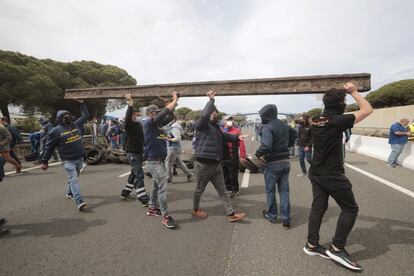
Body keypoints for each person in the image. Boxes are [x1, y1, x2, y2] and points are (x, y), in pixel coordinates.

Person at [303, 83, 373, 272]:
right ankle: (337, 248)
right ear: (341, 103)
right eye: (345, 100)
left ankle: (312, 244)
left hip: (315, 172)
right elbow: (367, 109)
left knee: (319, 207)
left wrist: (340, 95)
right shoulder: (338, 120)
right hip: (331, 174)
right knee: (350, 208)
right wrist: (354, 92)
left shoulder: (317, 119)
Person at [192, 91, 246, 222]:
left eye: (215, 113)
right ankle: (195, 209)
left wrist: (237, 137)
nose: (214, 114)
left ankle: (231, 213)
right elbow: (204, 115)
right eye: (212, 112)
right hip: (203, 164)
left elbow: (225, 136)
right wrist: (211, 100)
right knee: (199, 189)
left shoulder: (215, 128)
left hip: (216, 164)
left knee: (223, 190)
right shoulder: (202, 125)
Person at [41, 100, 89, 211]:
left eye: (68, 116)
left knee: (74, 178)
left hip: (79, 158)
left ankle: (69, 193)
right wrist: (44, 161)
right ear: (59, 119)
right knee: (74, 179)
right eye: (64, 117)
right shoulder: (55, 131)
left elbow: (86, 115)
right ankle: (79, 201)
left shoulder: (76, 124)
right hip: (68, 160)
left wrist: (82, 103)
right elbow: (49, 147)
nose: (67, 118)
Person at [255, 104, 297, 228]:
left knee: (270, 191)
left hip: (273, 162)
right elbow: (295, 134)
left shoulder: (267, 127)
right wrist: (287, 145)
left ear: (265, 115)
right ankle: (286, 218)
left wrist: (258, 154)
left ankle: (272, 215)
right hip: (285, 161)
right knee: (284, 191)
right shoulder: (284, 125)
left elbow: (266, 146)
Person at [144, 91, 179, 229]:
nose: (157, 114)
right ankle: (165, 216)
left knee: (156, 185)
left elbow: (170, 115)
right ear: (151, 114)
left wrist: (171, 102)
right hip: (153, 161)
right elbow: (165, 112)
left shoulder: (157, 125)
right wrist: (174, 100)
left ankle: (152, 208)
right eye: (155, 113)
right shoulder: (148, 123)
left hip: (160, 160)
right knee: (163, 189)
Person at [120, 94, 150, 207]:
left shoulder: (139, 125)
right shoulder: (128, 125)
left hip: (139, 153)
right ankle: (143, 198)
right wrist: (130, 104)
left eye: (137, 114)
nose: (137, 116)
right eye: (134, 114)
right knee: (139, 174)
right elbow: (127, 118)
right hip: (132, 153)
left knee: (134, 174)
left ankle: (125, 193)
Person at [221, 116, 246, 197]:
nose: (230, 121)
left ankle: (235, 189)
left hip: (233, 155)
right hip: (222, 156)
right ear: (223, 121)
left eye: (231, 120)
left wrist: (243, 155)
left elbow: (241, 144)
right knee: (225, 174)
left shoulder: (236, 130)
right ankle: (228, 189)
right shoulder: (219, 130)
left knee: (233, 174)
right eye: (228, 120)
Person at [164, 115, 193, 183]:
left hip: (173, 147)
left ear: (173, 119)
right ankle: (189, 174)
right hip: (174, 147)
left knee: (168, 163)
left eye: (168, 119)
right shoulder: (174, 126)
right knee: (178, 162)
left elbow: (177, 138)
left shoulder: (175, 127)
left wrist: (168, 139)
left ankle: (169, 178)